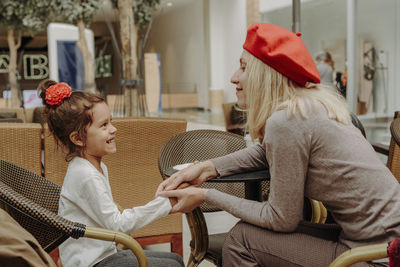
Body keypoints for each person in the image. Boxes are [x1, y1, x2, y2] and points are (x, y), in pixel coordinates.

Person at [156, 23, 400, 266]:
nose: (233, 77)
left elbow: (281, 218)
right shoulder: (309, 107)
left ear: (266, 74)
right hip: (381, 243)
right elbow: (265, 152)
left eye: (243, 68)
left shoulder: (287, 121)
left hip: (377, 257)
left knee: (242, 239)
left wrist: (206, 195)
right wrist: (208, 167)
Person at [37, 80, 184, 267]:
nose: (113, 129)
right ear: (78, 138)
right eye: (104, 125)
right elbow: (117, 225)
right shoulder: (85, 175)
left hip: (103, 253)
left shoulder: (93, 167)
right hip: (92, 262)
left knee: (176, 260)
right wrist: (166, 204)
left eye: (111, 122)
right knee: (173, 266)